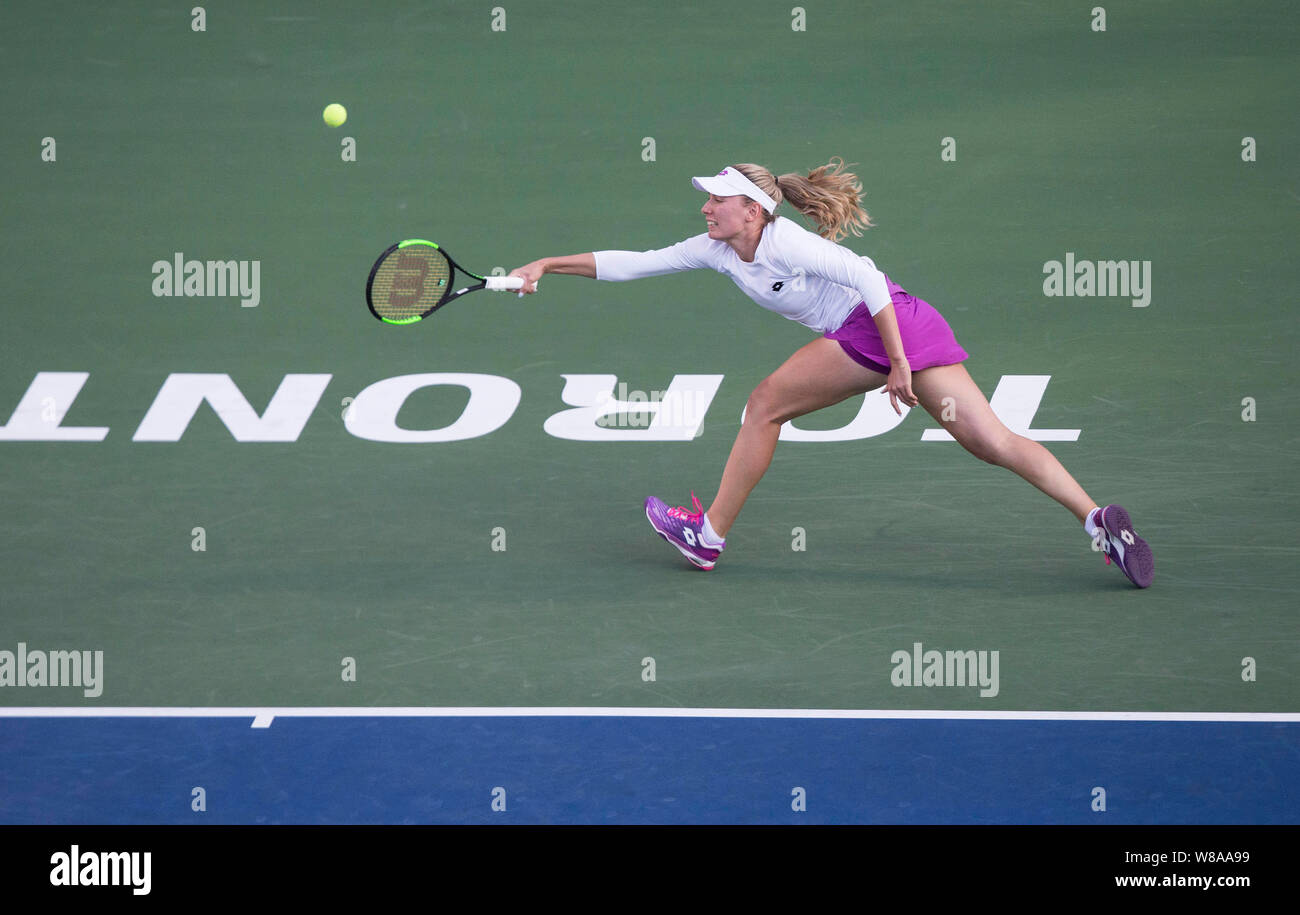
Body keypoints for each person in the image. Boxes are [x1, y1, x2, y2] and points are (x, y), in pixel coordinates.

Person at [507, 159, 1154, 587]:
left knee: (764, 405)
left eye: (718, 199)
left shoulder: (786, 241)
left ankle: (707, 538)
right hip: (905, 321)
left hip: (882, 326)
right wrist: (547, 263)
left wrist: (898, 361)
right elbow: (634, 262)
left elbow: (868, 276)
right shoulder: (715, 250)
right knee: (991, 441)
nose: (706, 207)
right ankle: (1097, 521)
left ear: (753, 210)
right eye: (707, 199)